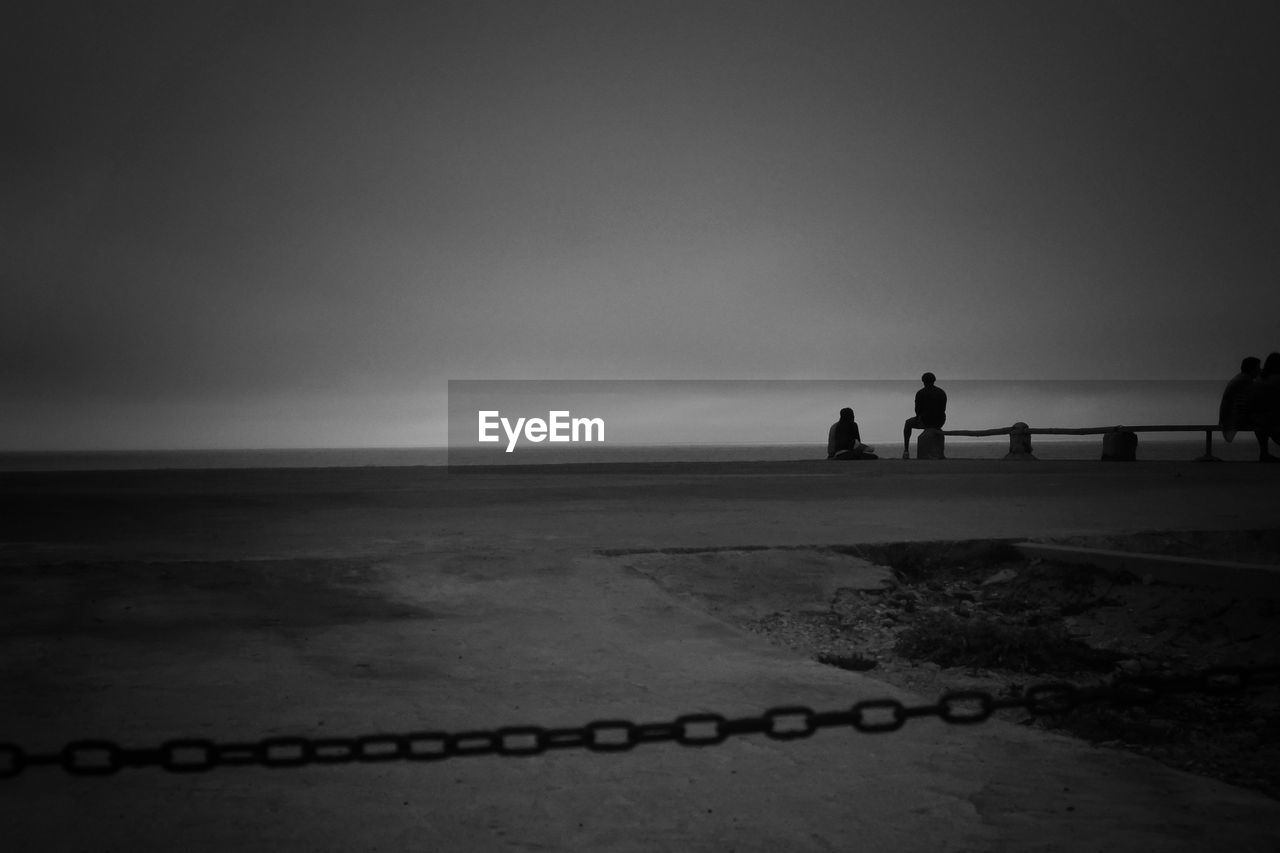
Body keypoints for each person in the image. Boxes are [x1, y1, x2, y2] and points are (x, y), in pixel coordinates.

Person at [902, 372, 947, 459]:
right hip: (940, 422)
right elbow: (943, 408)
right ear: (934, 380)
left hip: (925, 421)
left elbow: (917, 410)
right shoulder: (941, 392)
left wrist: (919, 417)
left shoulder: (920, 393)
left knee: (908, 423)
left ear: (923, 381)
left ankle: (906, 450)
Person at [1218, 356, 1260, 442]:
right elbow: (1253, 401)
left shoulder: (1241, 378)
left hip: (1227, 420)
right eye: (1258, 368)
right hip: (1231, 421)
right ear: (1252, 369)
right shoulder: (1245, 381)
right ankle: (1264, 451)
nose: (1259, 370)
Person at [1249, 352, 1280, 462]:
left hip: (1257, 417)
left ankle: (1264, 453)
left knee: (1263, 425)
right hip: (1271, 418)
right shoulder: (1277, 379)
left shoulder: (1260, 379)